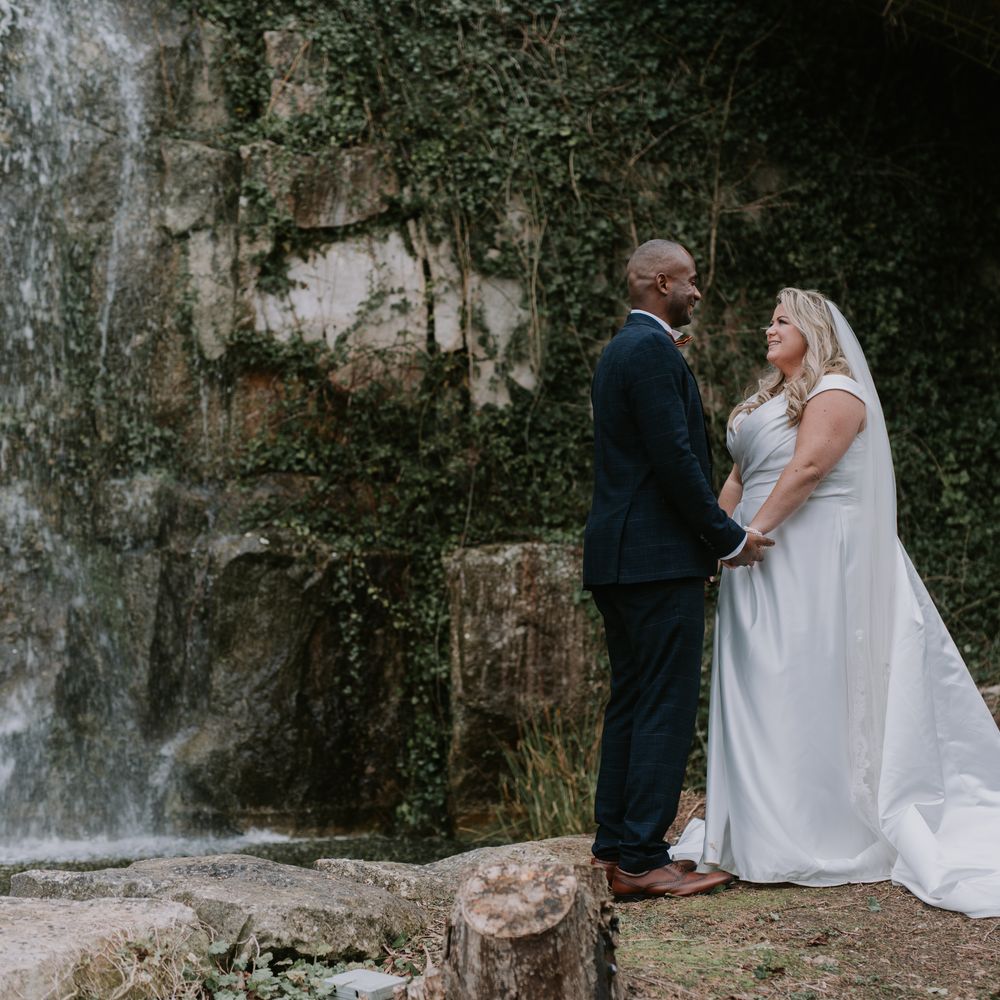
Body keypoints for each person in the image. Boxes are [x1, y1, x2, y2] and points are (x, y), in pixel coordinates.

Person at [674, 287, 1000, 918]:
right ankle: (754, 826)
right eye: (768, 320)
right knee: (758, 685)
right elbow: (740, 477)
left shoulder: (838, 393)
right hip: (759, 556)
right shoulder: (767, 400)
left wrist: (748, 536)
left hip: (814, 558)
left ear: (813, 330)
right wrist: (714, 542)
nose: (768, 330)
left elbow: (807, 471)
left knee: (806, 682)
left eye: (781, 321)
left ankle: (817, 828)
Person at [583, 240, 774, 900]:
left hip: (620, 558)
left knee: (633, 698)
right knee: (662, 702)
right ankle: (639, 859)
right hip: (656, 560)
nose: (698, 292)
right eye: (690, 282)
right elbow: (676, 465)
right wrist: (727, 539)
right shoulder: (650, 352)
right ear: (661, 282)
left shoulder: (620, 351)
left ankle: (617, 844)